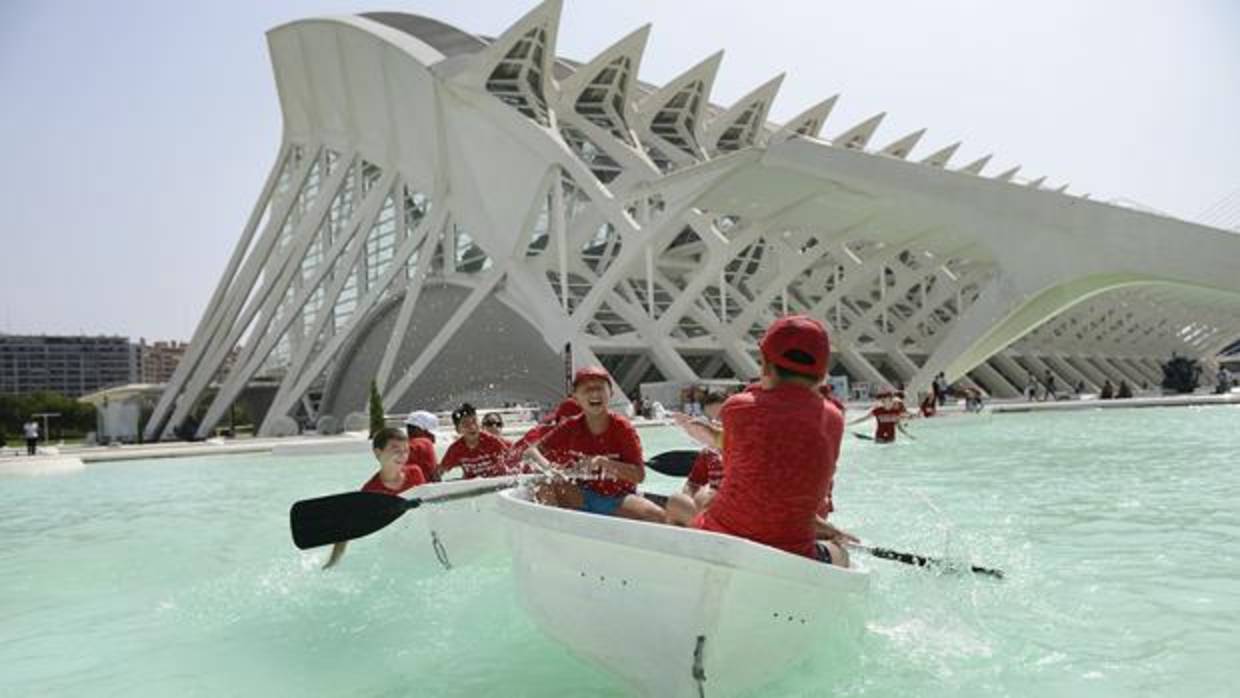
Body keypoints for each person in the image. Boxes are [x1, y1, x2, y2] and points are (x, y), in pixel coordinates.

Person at [687, 315, 850, 567]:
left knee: (703, 506)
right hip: (792, 551)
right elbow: (810, 490)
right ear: (822, 376)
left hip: (722, 534)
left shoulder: (735, 408)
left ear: (764, 366)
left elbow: (738, 476)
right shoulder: (834, 419)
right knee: (841, 553)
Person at [532, 367, 666, 522]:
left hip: (617, 499)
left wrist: (605, 463)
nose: (594, 394)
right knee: (543, 485)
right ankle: (556, 532)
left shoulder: (623, 428)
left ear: (610, 393)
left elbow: (639, 475)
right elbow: (531, 451)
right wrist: (549, 468)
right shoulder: (571, 425)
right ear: (575, 397)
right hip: (580, 495)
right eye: (587, 389)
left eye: (599, 388)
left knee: (658, 517)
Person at [323, 427, 423, 569]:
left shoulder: (415, 473)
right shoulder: (371, 490)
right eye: (395, 449)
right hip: (394, 545)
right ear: (378, 452)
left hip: (417, 535)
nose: (402, 455)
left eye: (406, 450)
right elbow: (348, 527)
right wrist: (333, 561)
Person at [440, 403, 512, 479]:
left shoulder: (492, 441)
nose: (472, 427)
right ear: (458, 430)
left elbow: (514, 456)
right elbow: (440, 470)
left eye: (474, 421)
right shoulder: (455, 449)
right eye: (466, 424)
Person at [404, 410, 440, 482]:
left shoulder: (402, 446)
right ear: (419, 429)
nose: (434, 438)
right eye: (431, 433)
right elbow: (434, 476)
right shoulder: (425, 443)